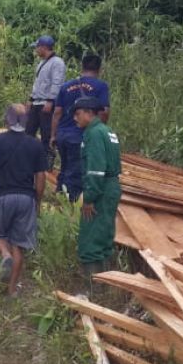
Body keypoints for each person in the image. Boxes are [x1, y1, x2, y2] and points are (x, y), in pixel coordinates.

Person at [0, 103, 48, 297]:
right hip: (26, 198)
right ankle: (11, 291)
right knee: (19, 244)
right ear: (26, 122)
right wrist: (38, 201)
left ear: (6, 120)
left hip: (3, 195)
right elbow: (41, 177)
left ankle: (5, 254)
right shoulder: (35, 144)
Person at [74, 96, 122, 290]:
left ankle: (95, 289)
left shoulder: (93, 134)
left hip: (100, 190)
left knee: (91, 238)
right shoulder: (107, 131)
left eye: (77, 114)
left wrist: (89, 198)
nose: (75, 119)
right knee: (104, 236)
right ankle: (106, 284)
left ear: (88, 112)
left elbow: (95, 170)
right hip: (110, 187)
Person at [50, 54, 111, 202]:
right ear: (99, 69)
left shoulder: (66, 86)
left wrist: (53, 135)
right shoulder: (100, 86)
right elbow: (104, 112)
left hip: (63, 134)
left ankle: (59, 195)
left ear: (82, 67)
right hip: (80, 136)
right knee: (76, 171)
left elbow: (57, 112)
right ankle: (70, 203)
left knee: (64, 167)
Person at [24, 35, 67, 164]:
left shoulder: (57, 62)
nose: (36, 50)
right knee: (28, 131)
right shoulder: (42, 63)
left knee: (46, 133)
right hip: (37, 102)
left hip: (47, 103)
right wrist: (31, 99)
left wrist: (51, 100)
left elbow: (57, 83)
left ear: (43, 47)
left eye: (37, 47)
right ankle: (29, 157)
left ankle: (47, 159)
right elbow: (37, 84)